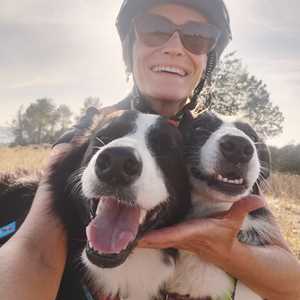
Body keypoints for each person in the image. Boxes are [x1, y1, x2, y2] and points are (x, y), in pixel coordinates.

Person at [0, 0, 300, 299]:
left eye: (197, 36)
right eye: (154, 29)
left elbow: (290, 283)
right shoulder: (88, 129)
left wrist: (226, 252)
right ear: (129, 47)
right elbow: (37, 252)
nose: (174, 46)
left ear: (207, 59)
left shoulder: (213, 149)